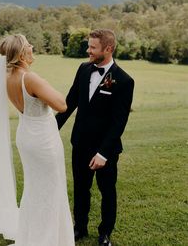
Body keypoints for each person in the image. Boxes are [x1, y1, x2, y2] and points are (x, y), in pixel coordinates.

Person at [0, 34, 75, 246]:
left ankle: (33, 236)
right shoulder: (31, 78)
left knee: (35, 189)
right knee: (50, 189)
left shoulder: (8, 78)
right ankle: (49, 239)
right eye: (29, 45)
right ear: (20, 54)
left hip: (27, 135)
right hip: (42, 140)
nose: (33, 46)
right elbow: (62, 105)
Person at [56, 29, 134, 246]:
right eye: (88, 46)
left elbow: (119, 123)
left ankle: (105, 233)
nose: (87, 50)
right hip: (79, 143)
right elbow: (69, 103)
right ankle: (79, 228)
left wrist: (103, 153)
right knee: (81, 189)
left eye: (92, 47)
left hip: (104, 150)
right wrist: (51, 129)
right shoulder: (83, 69)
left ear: (108, 49)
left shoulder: (124, 81)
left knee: (107, 191)